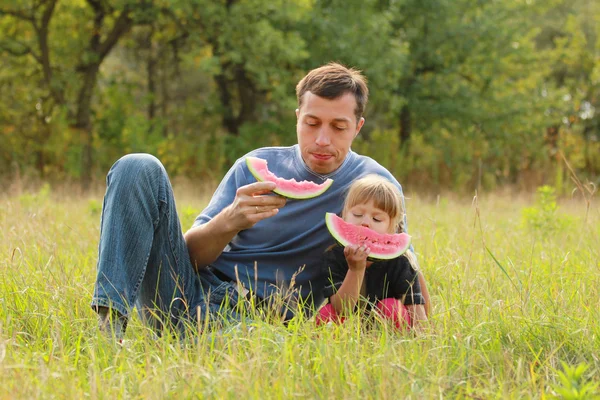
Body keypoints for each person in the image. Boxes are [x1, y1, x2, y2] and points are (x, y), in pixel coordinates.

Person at [91, 62, 428, 338]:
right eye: (311, 124)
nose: (322, 139)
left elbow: (403, 265)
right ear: (297, 117)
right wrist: (229, 221)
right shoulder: (253, 166)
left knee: (266, 346)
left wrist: (419, 323)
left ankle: (195, 343)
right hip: (185, 293)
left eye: (338, 127)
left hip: (260, 320)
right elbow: (189, 257)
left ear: (358, 127)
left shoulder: (375, 186)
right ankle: (109, 329)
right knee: (138, 165)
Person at [315, 175, 428, 330]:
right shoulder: (334, 256)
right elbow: (342, 309)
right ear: (344, 215)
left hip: (389, 333)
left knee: (392, 308)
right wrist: (355, 270)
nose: (365, 223)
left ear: (392, 227)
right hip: (348, 332)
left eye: (376, 219)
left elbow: (417, 313)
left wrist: (425, 342)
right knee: (327, 314)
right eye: (357, 215)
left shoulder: (400, 262)